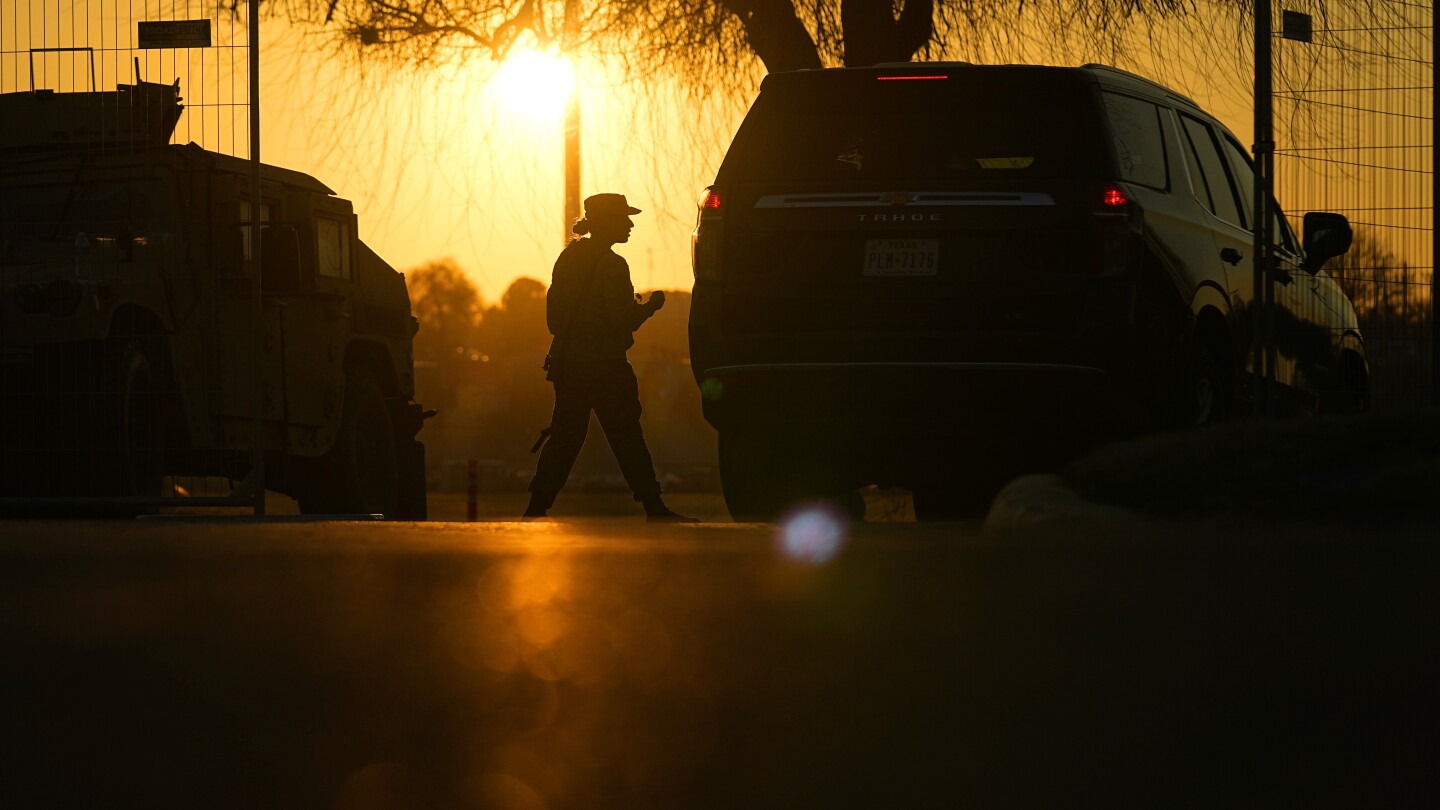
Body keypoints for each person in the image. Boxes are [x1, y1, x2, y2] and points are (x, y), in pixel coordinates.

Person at [524, 193, 695, 522]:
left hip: (569, 365)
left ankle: (536, 506)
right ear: (606, 223)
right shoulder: (613, 265)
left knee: (564, 438)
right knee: (627, 436)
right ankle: (654, 506)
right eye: (623, 218)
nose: (630, 225)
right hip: (605, 366)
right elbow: (624, 320)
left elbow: (554, 319)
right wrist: (651, 307)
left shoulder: (569, 258)